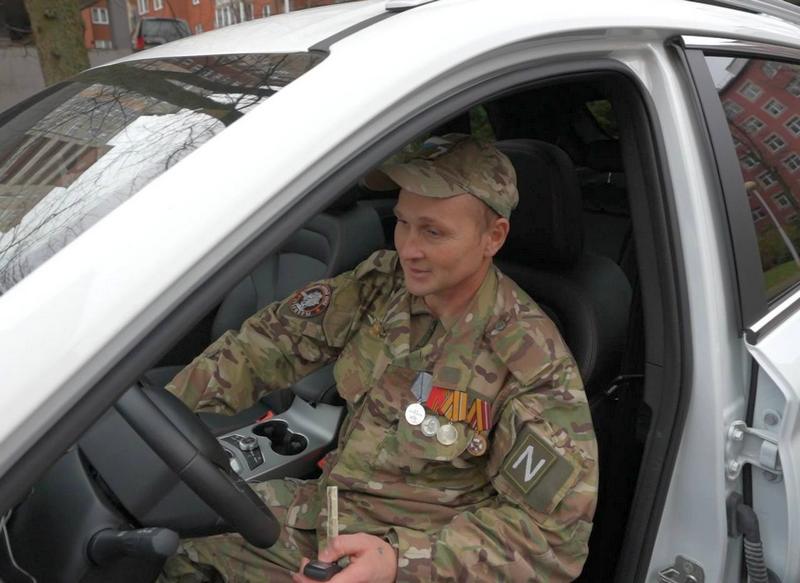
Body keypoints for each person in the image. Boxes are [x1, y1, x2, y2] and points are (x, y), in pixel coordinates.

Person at [160, 134, 598, 583]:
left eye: (433, 232)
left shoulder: (530, 361)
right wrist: (163, 409)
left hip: (423, 561)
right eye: (403, 222)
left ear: (493, 237)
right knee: (175, 538)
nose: (408, 248)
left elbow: (551, 542)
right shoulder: (383, 284)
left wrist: (398, 564)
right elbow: (267, 346)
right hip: (327, 516)